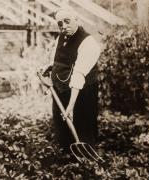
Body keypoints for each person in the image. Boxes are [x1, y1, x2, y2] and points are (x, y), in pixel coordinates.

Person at [42, 8, 101, 152]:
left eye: (67, 21)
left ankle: (87, 158)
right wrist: (51, 67)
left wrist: (71, 104)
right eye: (60, 23)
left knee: (83, 126)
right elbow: (61, 59)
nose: (64, 26)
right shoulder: (61, 37)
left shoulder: (89, 42)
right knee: (61, 124)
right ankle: (66, 156)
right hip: (61, 88)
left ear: (77, 20)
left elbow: (79, 74)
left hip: (81, 91)